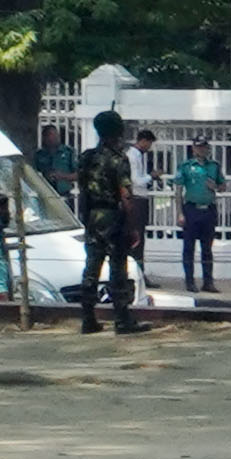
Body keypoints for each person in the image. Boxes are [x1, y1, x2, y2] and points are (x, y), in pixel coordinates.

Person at [74, 112, 147, 334]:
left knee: (91, 268)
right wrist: (132, 226)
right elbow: (125, 195)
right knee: (118, 269)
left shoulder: (86, 157)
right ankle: (122, 320)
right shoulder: (118, 159)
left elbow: (83, 191)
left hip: (93, 216)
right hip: (113, 218)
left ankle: (88, 318)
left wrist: (86, 218)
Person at [173, 139, 224, 295]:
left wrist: (214, 186)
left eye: (204, 147)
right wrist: (180, 213)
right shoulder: (186, 166)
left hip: (208, 210)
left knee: (207, 248)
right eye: (198, 147)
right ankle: (190, 281)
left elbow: (223, 186)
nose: (201, 150)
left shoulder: (214, 166)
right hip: (191, 209)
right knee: (189, 247)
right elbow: (178, 191)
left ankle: (208, 282)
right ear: (193, 149)